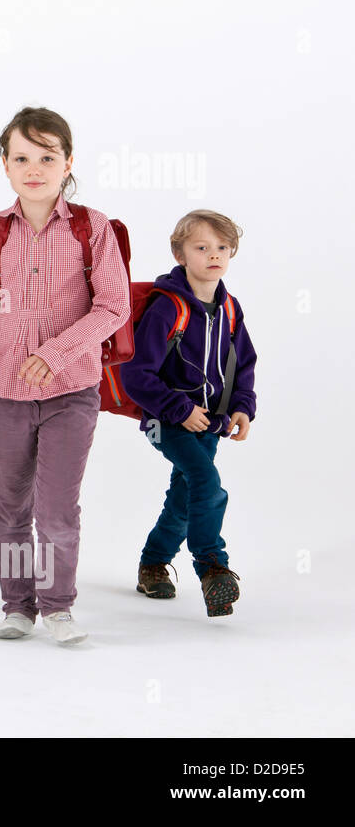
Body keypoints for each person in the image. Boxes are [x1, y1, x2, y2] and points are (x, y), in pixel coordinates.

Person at [0, 107, 129, 644]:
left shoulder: (90, 227)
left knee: (56, 509)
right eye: (21, 157)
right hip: (5, 395)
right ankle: (17, 606)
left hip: (71, 393)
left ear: (68, 162)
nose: (34, 168)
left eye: (47, 157)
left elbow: (114, 308)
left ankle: (58, 606)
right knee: (9, 507)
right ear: (5, 165)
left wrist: (55, 353)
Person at [120, 210, 256, 617]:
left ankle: (153, 563)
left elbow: (244, 363)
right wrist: (179, 409)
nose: (214, 255)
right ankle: (213, 567)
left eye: (222, 248)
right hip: (165, 420)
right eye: (202, 247)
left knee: (185, 495)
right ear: (180, 254)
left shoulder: (230, 309)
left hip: (210, 422)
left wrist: (243, 407)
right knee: (204, 479)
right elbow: (135, 375)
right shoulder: (167, 308)